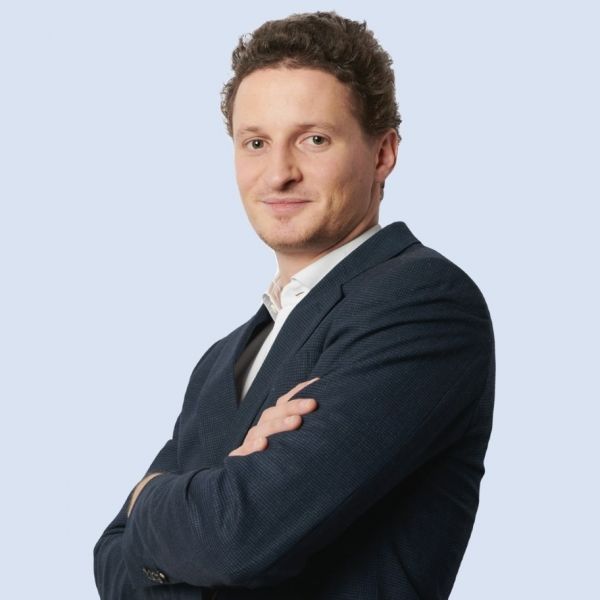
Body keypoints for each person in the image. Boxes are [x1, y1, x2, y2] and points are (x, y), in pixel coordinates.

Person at [93, 11, 495, 600]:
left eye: (314, 140)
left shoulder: (423, 303)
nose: (278, 173)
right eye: (256, 143)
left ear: (383, 153)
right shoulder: (221, 360)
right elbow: (111, 564)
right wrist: (210, 505)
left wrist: (146, 496)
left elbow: (234, 539)